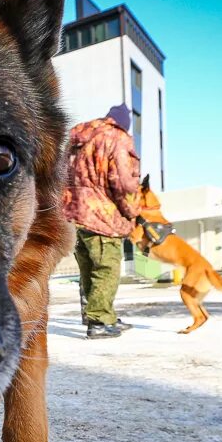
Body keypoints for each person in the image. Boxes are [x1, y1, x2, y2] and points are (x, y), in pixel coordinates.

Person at [63, 104, 142, 339]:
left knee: (88, 267)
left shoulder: (78, 138)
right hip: (101, 214)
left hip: (73, 213)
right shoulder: (116, 138)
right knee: (107, 268)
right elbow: (122, 183)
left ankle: (96, 314)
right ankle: (100, 320)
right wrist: (131, 211)